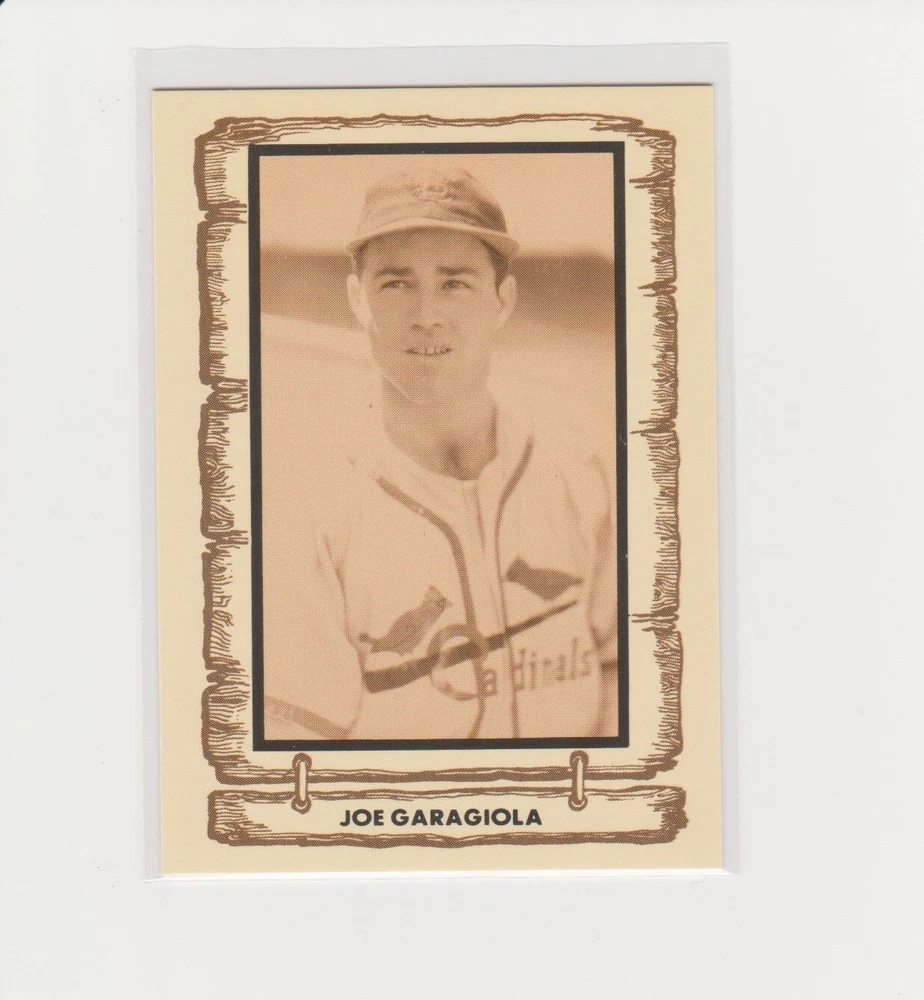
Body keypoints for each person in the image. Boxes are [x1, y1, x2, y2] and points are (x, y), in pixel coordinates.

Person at [264, 165, 617, 741]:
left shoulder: (581, 467)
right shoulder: (306, 505)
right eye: (395, 284)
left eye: (456, 282)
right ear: (357, 300)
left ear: (503, 300)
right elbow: (299, 743)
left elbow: (621, 673)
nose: (426, 315)